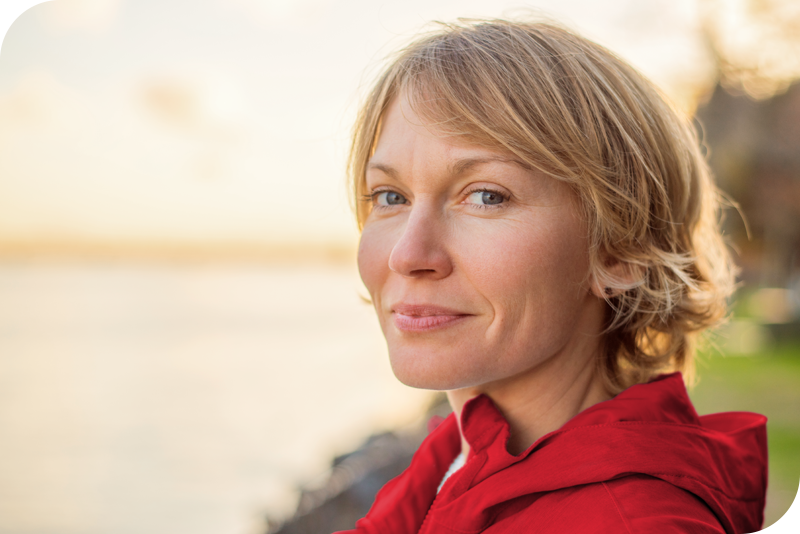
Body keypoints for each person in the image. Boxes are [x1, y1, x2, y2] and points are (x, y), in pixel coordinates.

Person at [338, 18, 767, 534]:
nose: (408, 254)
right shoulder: (456, 458)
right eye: (391, 197)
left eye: (486, 196)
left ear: (620, 251)